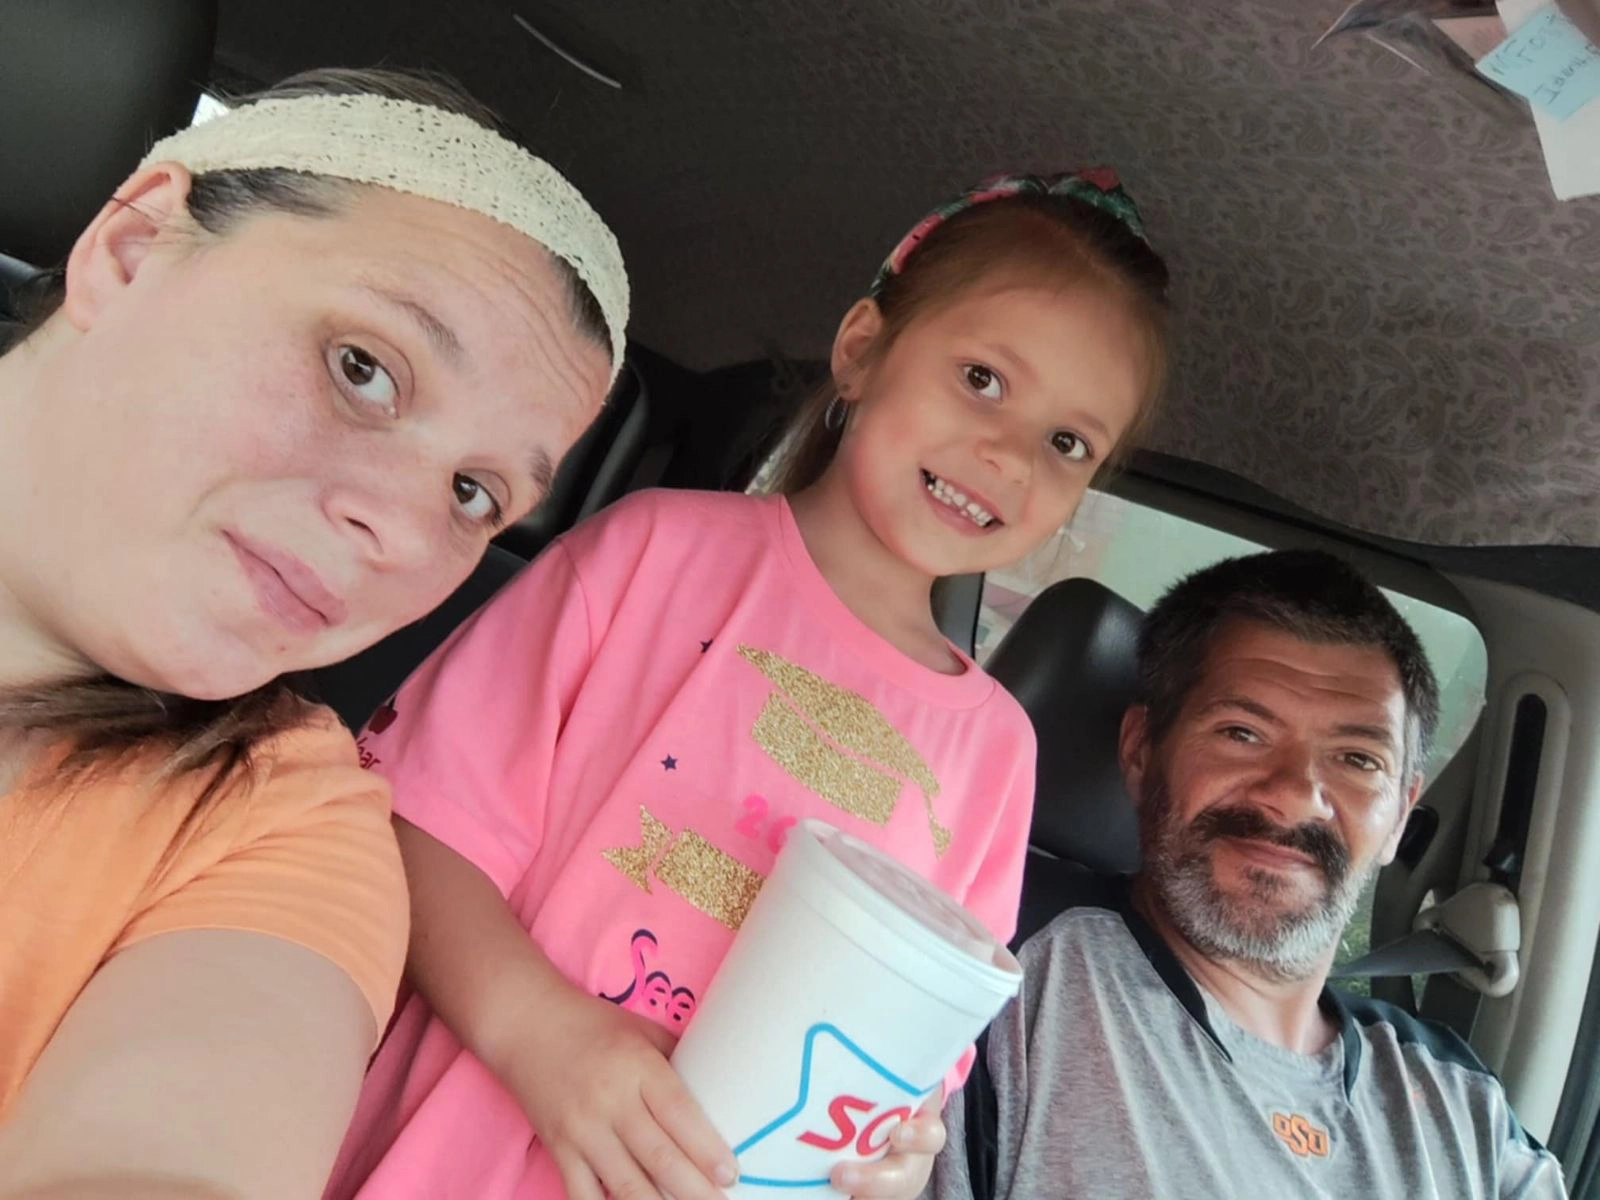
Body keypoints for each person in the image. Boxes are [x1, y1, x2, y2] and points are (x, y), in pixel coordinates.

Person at [325, 170, 1173, 1200]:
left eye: (1068, 442)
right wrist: (537, 1036)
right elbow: (419, 828)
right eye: (982, 379)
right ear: (862, 349)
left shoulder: (995, 752)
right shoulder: (656, 555)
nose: (1006, 453)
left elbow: (916, 1060)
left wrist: (898, 1160)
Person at [0, 68, 628, 1200]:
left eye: (475, 495)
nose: (397, 527)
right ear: (131, 247)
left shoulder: (279, 826)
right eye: (363, 367)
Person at [927, 551, 1567, 1199]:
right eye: (1242, 732)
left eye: (1357, 759)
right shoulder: (999, 978)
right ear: (1141, 752)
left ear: (1400, 817)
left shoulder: (1461, 1101)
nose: (1295, 796)